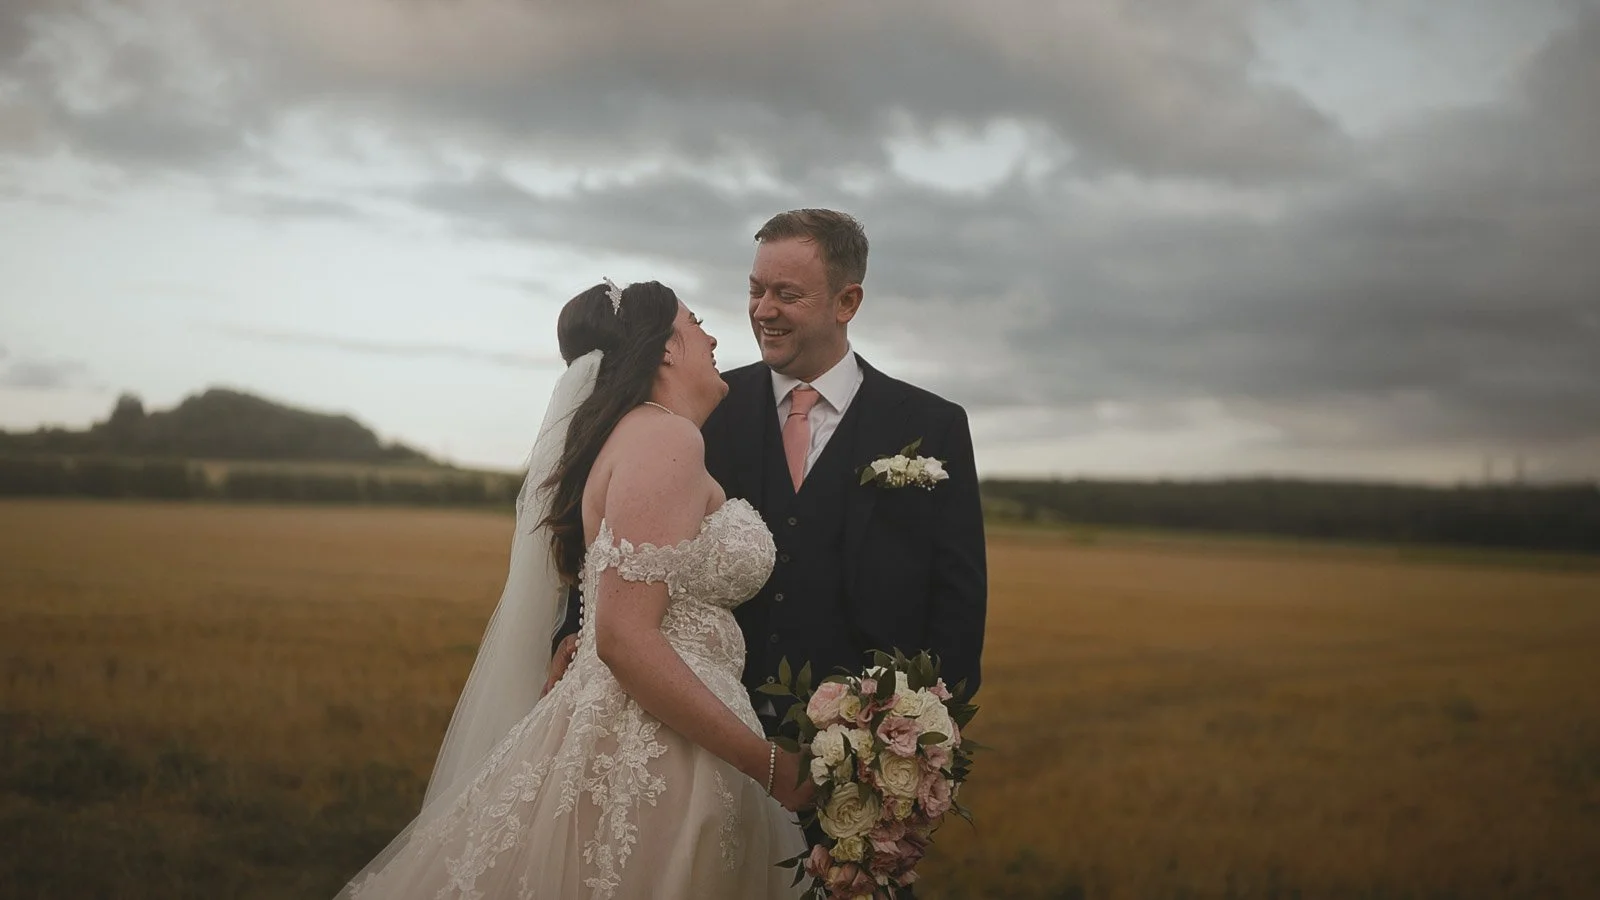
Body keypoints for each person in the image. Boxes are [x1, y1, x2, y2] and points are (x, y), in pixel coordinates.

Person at [335, 280, 810, 900]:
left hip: (673, 724)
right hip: (658, 747)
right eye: (696, 322)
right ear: (666, 348)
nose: (714, 336)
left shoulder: (642, 435)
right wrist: (764, 763)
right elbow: (624, 636)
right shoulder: (665, 438)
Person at [552, 207, 987, 738]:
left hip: (866, 748)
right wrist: (571, 630)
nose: (763, 310)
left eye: (786, 294)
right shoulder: (697, 409)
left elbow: (958, 606)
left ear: (847, 302)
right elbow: (618, 530)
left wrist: (918, 745)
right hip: (710, 732)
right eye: (755, 290)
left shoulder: (931, 424)